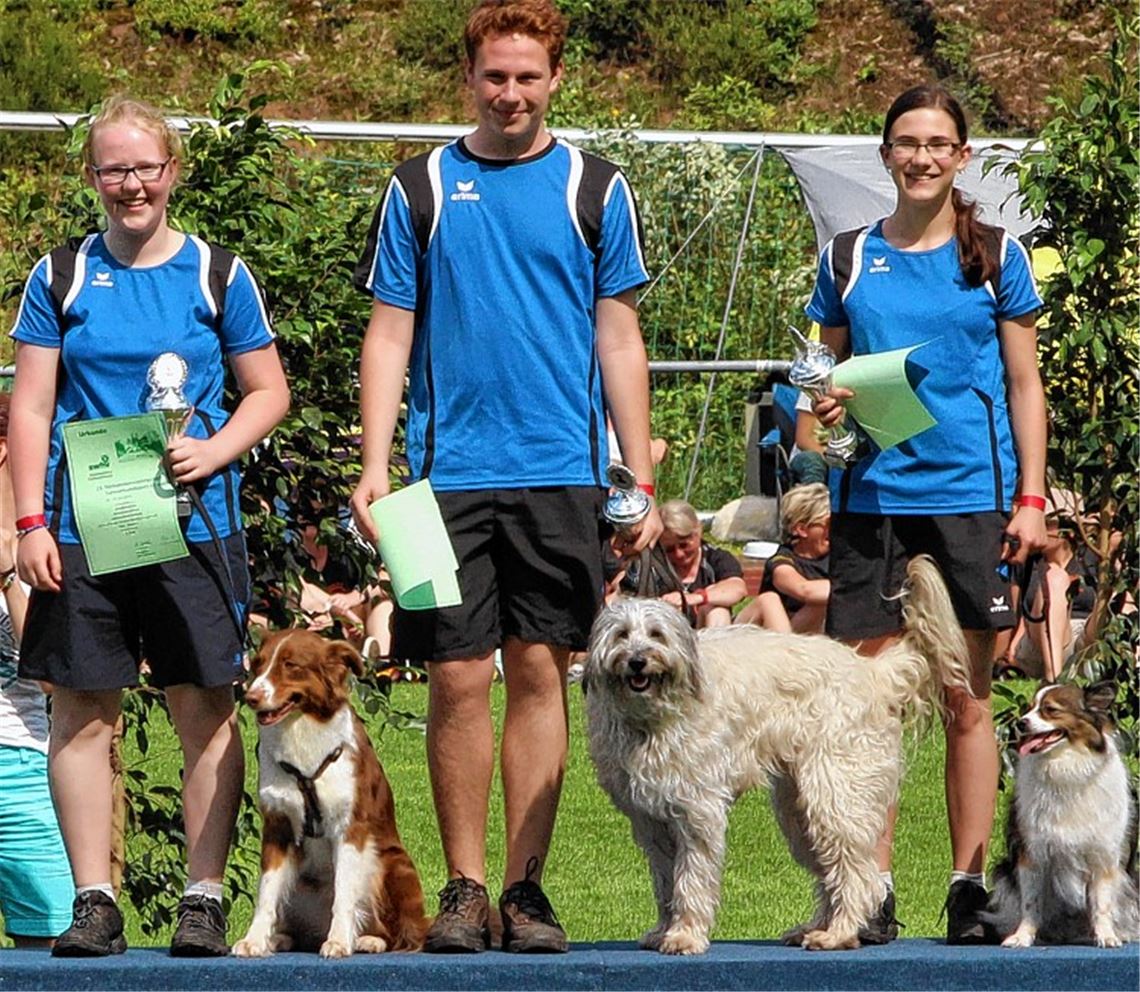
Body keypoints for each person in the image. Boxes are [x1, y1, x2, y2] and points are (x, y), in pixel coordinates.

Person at [349, 0, 660, 955]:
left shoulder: (596, 186)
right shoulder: (421, 187)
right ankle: (463, 888)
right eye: (495, 75)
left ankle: (525, 893)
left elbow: (618, 334)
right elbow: (391, 330)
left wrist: (637, 471)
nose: (511, 92)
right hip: (445, 480)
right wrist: (374, 466)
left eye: (528, 76)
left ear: (556, 78)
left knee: (537, 674)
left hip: (563, 475)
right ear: (469, 77)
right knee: (452, 676)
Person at [9, 95, 290, 957]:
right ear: (92, 177)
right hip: (86, 524)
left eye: (144, 167)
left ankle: (202, 899)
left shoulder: (218, 272)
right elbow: (30, 403)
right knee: (81, 711)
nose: (130, 184)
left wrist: (215, 450)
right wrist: (28, 522)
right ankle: (94, 899)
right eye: (112, 169)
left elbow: (269, 391)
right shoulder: (58, 274)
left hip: (196, 523)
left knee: (203, 706)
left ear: (172, 171)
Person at [807, 84, 1048, 944]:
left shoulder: (996, 257)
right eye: (906, 142)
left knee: (965, 696)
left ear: (961, 157)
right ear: (885, 156)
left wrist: (1030, 496)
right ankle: (867, 889)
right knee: (865, 705)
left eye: (938, 143)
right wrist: (824, 414)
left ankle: (967, 886)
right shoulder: (846, 256)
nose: (921, 157)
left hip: (970, 504)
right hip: (870, 505)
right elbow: (814, 396)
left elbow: (1025, 385)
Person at [0, 392, 74, 948]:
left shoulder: (40, 545)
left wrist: (7, 576)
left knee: (49, 946)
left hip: (20, 763)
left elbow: (52, 677)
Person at [633, 499, 746, 628]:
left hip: (708, 630)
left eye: (684, 545)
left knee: (717, 610)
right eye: (669, 549)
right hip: (667, 634)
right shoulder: (650, 566)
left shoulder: (716, 558)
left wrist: (697, 598)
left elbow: (738, 588)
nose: (679, 554)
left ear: (698, 532)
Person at [735, 482, 830, 633]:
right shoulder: (781, 562)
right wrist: (854, 586)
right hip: (771, 636)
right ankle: (785, 653)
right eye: (829, 524)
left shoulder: (838, 558)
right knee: (769, 600)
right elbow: (804, 590)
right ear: (802, 529)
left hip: (812, 636)